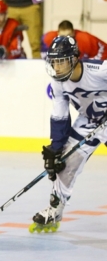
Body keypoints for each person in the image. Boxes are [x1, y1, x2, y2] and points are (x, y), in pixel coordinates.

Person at [30, 36, 107, 233]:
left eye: (61, 61)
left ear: (74, 59)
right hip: (88, 121)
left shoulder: (99, 70)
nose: (56, 67)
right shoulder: (58, 83)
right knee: (65, 162)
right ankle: (55, 209)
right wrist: (56, 149)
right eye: (53, 61)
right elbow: (60, 116)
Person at [41, 20, 107, 60]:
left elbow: (104, 50)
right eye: (62, 36)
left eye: (68, 35)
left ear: (73, 32)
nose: (65, 39)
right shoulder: (48, 38)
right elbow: (44, 55)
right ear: (58, 33)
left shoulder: (85, 39)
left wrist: (90, 65)